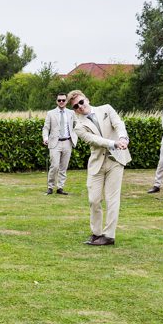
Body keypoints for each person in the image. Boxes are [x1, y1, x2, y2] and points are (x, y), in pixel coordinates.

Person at [68, 89, 131, 246]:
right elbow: (94, 140)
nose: (80, 106)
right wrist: (114, 143)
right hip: (97, 163)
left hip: (116, 160)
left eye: (81, 102)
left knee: (112, 199)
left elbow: (119, 124)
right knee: (94, 199)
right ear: (74, 110)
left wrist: (123, 138)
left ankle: (109, 236)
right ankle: (96, 233)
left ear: (87, 99)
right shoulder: (78, 126)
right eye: (75, 106)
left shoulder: (106, 109)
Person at [42, 92, 78, 195]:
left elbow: (77, 125)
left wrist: (76, 135)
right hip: (55, 143)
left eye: (63, 100)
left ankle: (60, 188)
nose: (61, 102)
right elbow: (46, 128)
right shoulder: (50, 113)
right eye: (59, 100)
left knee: (64, 167)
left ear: (66, 101)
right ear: (56, 101)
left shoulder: (71, 113)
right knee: (54, 166)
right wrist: (45, 138)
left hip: (67, 142)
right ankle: (50, 187)